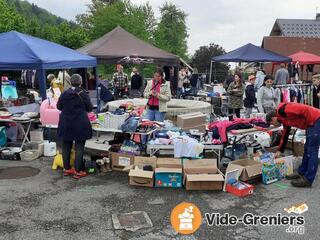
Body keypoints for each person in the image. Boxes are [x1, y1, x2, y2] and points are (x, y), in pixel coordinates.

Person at [266, 103, 320, 187]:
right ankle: (302, 172)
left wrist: (310, 123)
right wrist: (279, 150)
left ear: (273, 118)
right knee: (306, 149)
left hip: (315, 120)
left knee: (312, 150)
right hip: (312, 123)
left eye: (272, 124)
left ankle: (308, 180)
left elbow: (304, 109)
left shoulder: (284, 109)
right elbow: (285, 134)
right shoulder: (283, 119)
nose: (274, 126)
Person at [57, 74, 93, 179]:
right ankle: (78, 171)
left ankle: (67, 169)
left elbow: (59, 107)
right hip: (80, 123)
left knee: (66, 146)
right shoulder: (83, 94)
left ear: (70, 82)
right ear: (80, 82)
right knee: (79, 147)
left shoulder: (64, 93)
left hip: (66, 123)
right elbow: (90, 108)